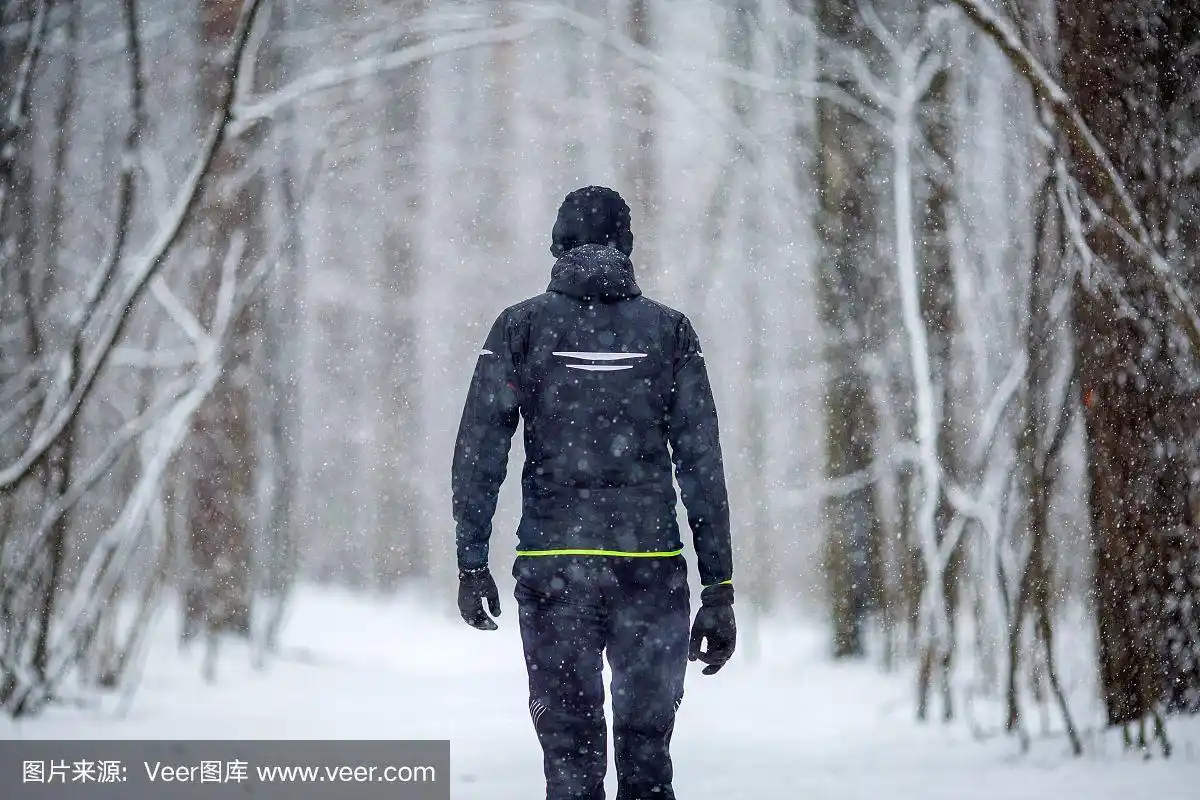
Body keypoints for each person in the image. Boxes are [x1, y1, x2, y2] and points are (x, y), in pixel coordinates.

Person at [451, 185, 736, 800]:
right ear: (628, 246)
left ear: (557, 246)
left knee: (570, 769)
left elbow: (480, 452)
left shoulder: (520, 328)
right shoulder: (670, 333)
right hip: (652, 571)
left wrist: (472, 561)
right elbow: (702, 466)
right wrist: (719, 587)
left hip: (555, 570)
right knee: (647, 765)